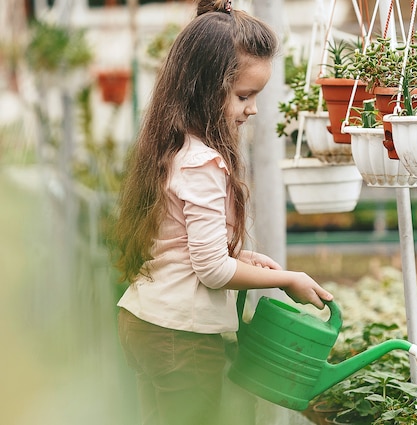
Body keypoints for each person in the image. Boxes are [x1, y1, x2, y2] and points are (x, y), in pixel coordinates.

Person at [112, 1, 334, 424]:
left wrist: (241, 258)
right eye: (243, 96)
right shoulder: (203, 164)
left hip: (146, 321)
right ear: (203, 87)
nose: (252, 109)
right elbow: (212, 270)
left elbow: (181, 244)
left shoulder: (174, 149)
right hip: (181, 338)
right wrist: (287, 279)